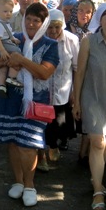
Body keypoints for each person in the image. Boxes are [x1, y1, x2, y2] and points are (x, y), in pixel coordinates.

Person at [0, 2, 59, 207]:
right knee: (12, 142)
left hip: (35, 101)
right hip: (9, 98)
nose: (31, 23)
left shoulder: (50, 45)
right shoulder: (14, 37)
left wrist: (22, 60)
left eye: (37, 20)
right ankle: (18, 182)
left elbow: (44, 72)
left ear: (43, 23)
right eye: (28, 18)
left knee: (27, 145)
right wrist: (11, 60)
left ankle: (29, 185)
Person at [73, 2, 106, 210]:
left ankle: (97, 178)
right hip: (92, 97)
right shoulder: (89, 42)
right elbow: (80, 72)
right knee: (97, 141)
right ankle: (97, 192)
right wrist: (76, 101)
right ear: (100, 20)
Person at [43, 9, 79, 167]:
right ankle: (49, 147)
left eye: (57, 27)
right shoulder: (41, 39)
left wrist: (74, 92)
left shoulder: (71, 40)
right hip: (43, 89)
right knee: (44, 122)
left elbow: (76, 68)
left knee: (59, 122)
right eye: (50, 27)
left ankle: (54, 144)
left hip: (62, 90)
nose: (53, 31)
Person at [0, 0, 22, 97]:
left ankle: (2, 85)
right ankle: (12, 77)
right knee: (18, 55)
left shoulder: (2, 23)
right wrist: (2, 51)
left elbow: (7, 34)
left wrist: (13, 39)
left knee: (3, 67)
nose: (8, 14)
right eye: (5, 11)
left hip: (3, 44)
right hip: (1, 46)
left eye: (11, 11)